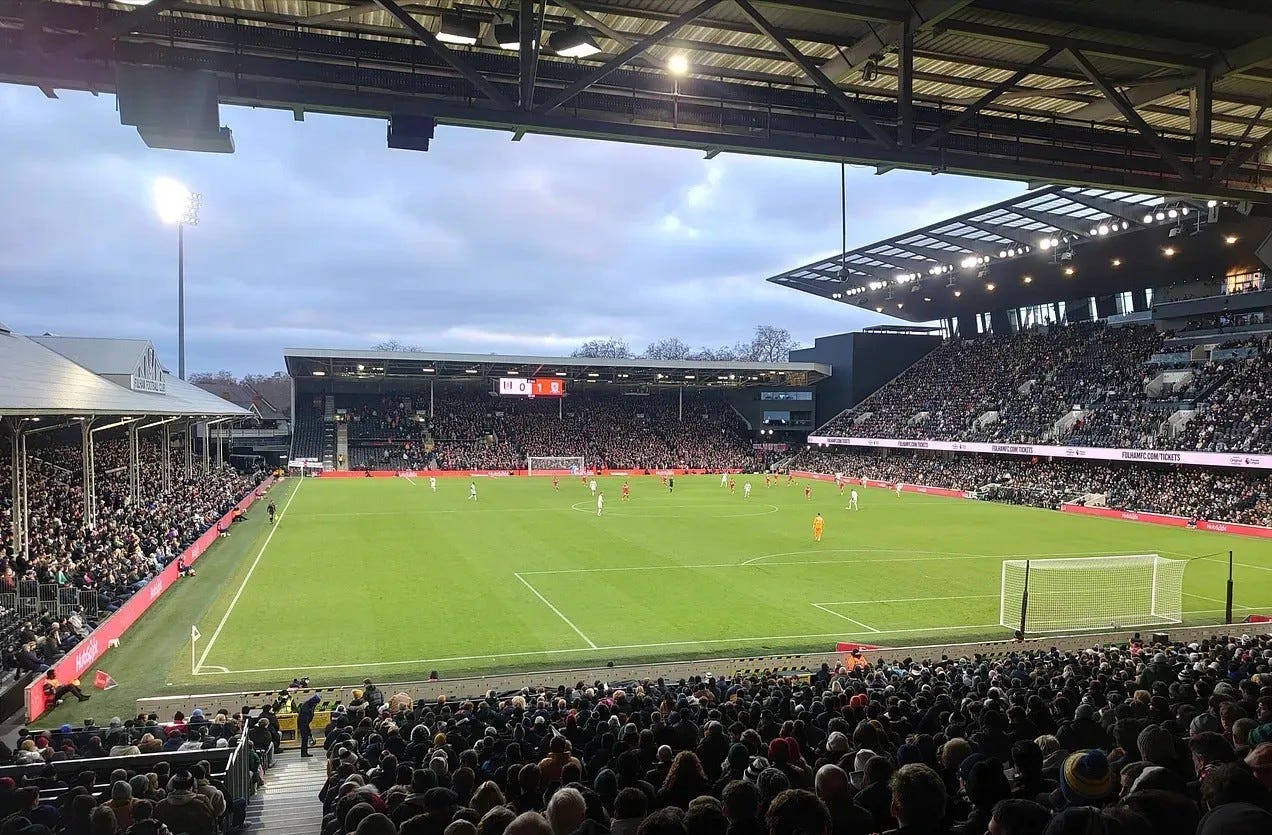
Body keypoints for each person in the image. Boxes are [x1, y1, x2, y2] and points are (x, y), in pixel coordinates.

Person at [298, 692, 320, 757]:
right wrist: (309, 731)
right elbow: (305, 721)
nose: (316, 705)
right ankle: (304, 753)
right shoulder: (306, 708)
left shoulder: (309, 705)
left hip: (304, 723)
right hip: (303, 724)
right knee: (304, 738)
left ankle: (304, 752)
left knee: (305, 738)